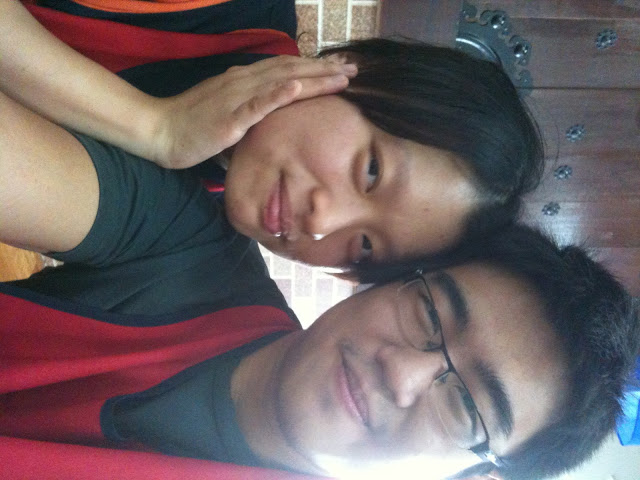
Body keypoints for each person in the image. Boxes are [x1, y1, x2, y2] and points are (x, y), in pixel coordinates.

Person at [1, 108, 638, 480]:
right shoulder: (186, 247)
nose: (402, 374)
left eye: (467, 409)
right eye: (429, 315)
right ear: (386, 280)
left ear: (471, 472)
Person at [0, 0, 544, 270]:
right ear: (356, 71)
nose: (322, 222)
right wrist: (154, 125)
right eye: (372, 170)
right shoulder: (223, 10)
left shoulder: (192, 231)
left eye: (364, 248)